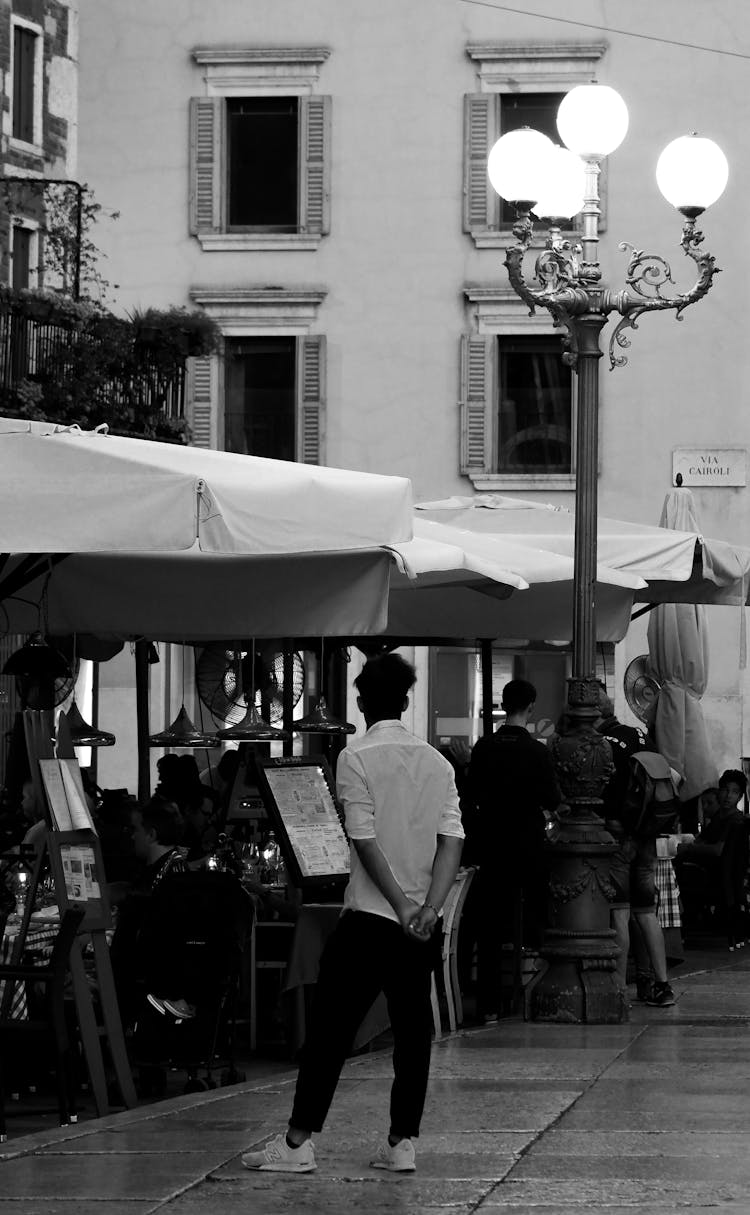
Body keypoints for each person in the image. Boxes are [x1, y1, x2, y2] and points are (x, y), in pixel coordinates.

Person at [241, 652, 464, 1175]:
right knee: (413, 1033)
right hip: (419, 926)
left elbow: (362, 839)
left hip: (369, 917)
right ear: (407, 701)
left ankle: (298, 1143)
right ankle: (401, 1141)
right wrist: (428, 906)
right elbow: (452, 838)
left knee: (330, 1031)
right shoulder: (439, 761)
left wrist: (400, 903)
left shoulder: (356, 756)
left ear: (362, 703)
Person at [466, 678, 560, 1020]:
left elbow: (470, 795)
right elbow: (552, 798)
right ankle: (535, 985)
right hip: (527, 850)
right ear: (531, 706)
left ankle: (489, 1003)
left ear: (503, 706)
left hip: (490, 848)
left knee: (489, 928)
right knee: (538, 914)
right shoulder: (537, 751)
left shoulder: (483, 748)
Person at [595, 683, 675, 1007]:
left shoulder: (601, 744)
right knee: (646, 913)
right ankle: (663, 985)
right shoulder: (640, 736)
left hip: (617, 836)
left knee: (619, 913)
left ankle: (618, 991)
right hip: (647, 837)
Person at [673, 769, 748, 940]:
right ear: (719, 791)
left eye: (734, 792)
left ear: (740, 797)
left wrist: (687, 849)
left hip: (718, 877)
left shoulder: (735, 820)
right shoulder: (719, 817)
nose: (729, 796)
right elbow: (702, 841)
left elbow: (717, 850)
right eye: (725, 790)